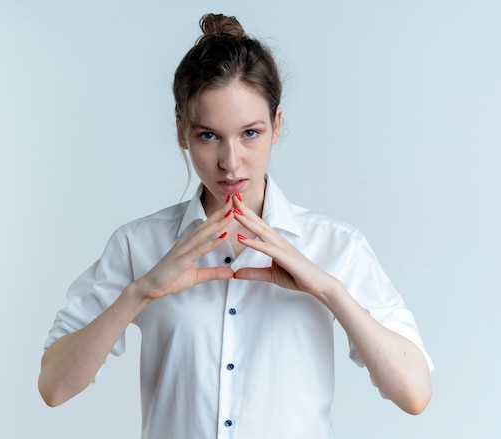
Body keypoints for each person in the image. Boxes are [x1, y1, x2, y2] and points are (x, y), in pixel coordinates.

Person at [39, 13, 434, 438]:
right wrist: (142, 292)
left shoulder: (335, 246)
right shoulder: (139, 245)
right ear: (181, 133)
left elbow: (413, 394)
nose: (230, 162)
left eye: (250, 133)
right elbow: (55, 387)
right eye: (208, 136)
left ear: (276, 125)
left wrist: (328, 289)